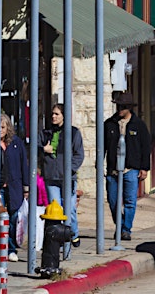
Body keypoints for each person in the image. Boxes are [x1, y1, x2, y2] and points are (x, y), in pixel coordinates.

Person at [104, 95, 151, 241]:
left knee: (130, 201)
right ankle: (120, 224)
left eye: (123, 107)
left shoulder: (139, 125)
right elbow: (103, 146)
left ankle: (126, 229)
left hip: (131, 169)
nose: (119, 109)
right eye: (118, 106)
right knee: (113, 201)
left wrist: (144, 168)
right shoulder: (109, 124)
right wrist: (100, 164)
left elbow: (145, 147)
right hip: (113, 170)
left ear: (129, 108)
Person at [43, 103, 85, 247]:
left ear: (64, 116)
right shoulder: (46, 132)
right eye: (52, 114)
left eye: (57, 114)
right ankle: (59, 237)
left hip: (67, 177)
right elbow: (34, 147)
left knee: (70, 208)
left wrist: (69, 169)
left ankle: (73, 233)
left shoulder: (73, 133)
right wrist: (44, 149)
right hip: (51, 177)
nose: (54, 117)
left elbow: (79, 155)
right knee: (55, 209)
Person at [0, 113, 28, 262]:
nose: (0, 130)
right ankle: (3, 247)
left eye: (3, 127)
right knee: (0, 217)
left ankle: (11, 248)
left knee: (13, 218)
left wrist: (26, 186)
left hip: (14, 186)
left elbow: (24, 164)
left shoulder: (16, 143)